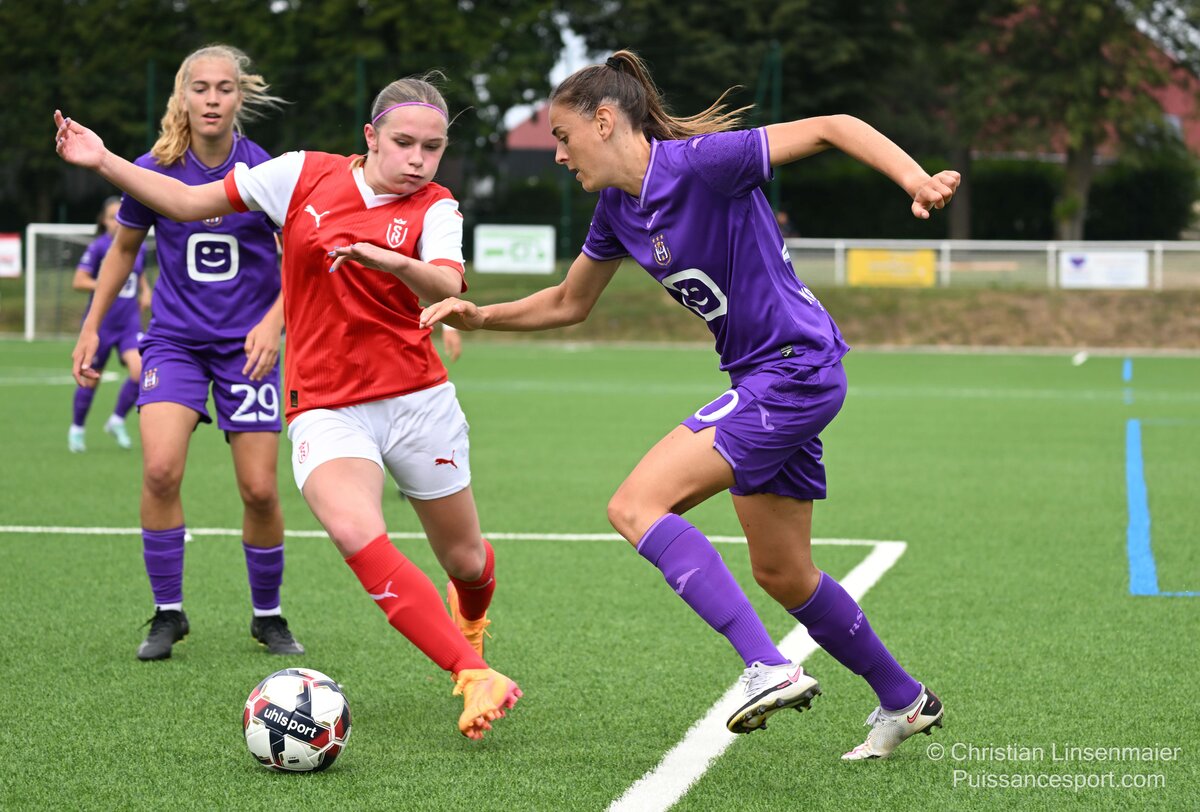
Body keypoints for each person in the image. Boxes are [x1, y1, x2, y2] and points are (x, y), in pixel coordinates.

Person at [420, 50, 959, 760]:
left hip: (793, 371)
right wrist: (481, 316)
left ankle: (767, 666)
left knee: (635, 506)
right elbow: (569, 302)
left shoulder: (705, 164)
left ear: (604, 121)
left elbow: (833, 125)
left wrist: (915, 180)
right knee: (783, 572)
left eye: (562, 136)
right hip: (768, 378)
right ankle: (904, 699)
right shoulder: (617, 209)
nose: (558, 154)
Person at [55, 73, 521, 741]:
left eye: (433, 147)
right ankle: (473, 673)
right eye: (404, 143)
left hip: (418, 400)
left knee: (467, 562)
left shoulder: (437, 207)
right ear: (371, 137)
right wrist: (103, 159)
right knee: (356, 532)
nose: (418, 160)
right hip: (326, 405)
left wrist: (390, 261)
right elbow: (185, 202)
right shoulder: (302, 174)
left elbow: (445, 281)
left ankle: (469, 621)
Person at [67, 45, 304, 662]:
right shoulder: (155, 168)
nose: (212, 99)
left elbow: (302, 259)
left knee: (259, 490)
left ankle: (268, 616)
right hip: (174, 343)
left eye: (224, 88)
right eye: (201, 88)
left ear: (240, 97)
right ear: (183, 96)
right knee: (160, 471)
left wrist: (274, 323)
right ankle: (168, 612)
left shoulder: (265, 170)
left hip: (248, 350)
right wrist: (92, 326)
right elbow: (123, 250)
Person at [68, 196, 152, 453]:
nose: (117, 221)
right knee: (90, 379)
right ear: (103, 221)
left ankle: (116, 420)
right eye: (111, 217)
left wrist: (145, 290)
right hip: (102, 325)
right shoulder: (98, 248)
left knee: (141, 371)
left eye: (120, 215)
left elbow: (138, 273)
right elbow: (79, 281)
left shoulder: (138, 245)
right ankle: (77, 429)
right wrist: (108, 284)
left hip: (129, 323)